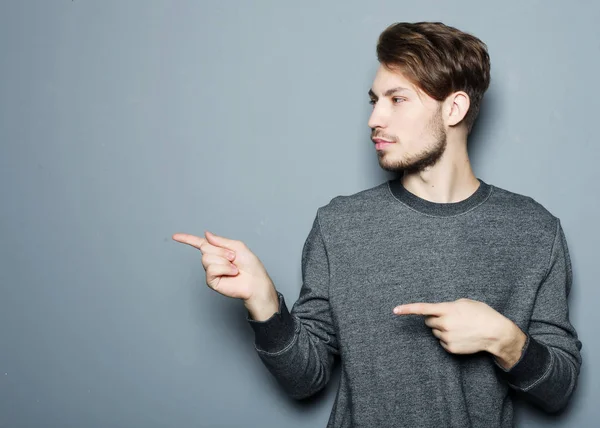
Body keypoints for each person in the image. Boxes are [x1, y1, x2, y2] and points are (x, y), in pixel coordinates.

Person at [172, 21, 582, 428]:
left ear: (453, 108)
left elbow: (558, 392)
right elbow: (305, 380)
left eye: (397, 99)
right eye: (374, 101)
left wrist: (504, 340)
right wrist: (262, 301)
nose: (374, 119)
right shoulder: (339, 225)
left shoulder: (534, 231)